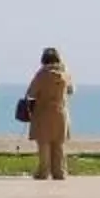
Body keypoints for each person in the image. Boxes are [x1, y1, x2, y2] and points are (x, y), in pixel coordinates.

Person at [22, 46, 72, 181]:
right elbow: (71, 90)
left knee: (44, 143)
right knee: (59, 144)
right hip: (60, 111)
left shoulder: (41, 74)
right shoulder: (65, 73)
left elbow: (31, 93)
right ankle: (59, 172)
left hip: (43, 111)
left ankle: (43, 172)